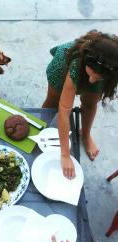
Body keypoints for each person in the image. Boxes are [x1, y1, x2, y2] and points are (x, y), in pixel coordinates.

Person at [42, 31, 118, 179]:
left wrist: (96, 76)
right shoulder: (77, 64)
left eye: (97, 78)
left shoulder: (112, 68)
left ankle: (85, 134)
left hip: (96, 70)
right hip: (65, 64)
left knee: (90, 104)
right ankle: (42, 129)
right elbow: (64, 111)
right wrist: (65, 155)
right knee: (53, 103)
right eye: (91, 74)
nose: (91, 81)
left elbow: (93, 81)